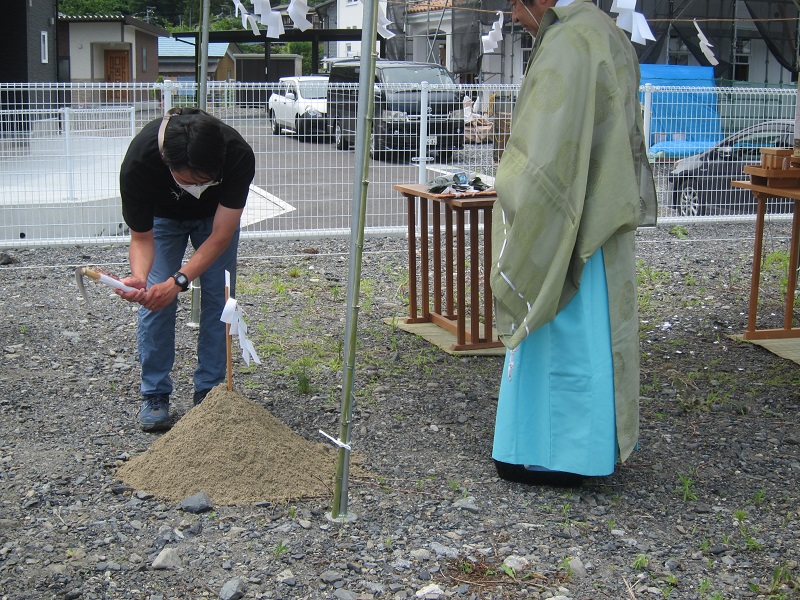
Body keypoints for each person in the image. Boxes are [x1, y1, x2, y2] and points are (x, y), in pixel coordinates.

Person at [489, 0, 657, 485]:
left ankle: (549, 454)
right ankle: (589, 449)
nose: (514, 15)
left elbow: (544, 149)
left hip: (568, 221)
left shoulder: (568, 41)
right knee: (594, 335)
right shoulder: (605, 30)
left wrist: (513, 187)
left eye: (515, 3)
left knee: (558, 328)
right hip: (601, 212)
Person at [117, 107, 255, 432]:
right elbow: (141, 238)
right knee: (155, 300)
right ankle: (155, 393)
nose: (200, 186)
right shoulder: (140, 162)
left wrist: (179, 280)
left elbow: (220, 236)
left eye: (208, 180)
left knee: (220, 299)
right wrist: (139, 277)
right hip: (163, 219)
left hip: (215, 221)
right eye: (191, 181)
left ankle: (210, 391)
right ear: (167, 162)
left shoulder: (236, 153)